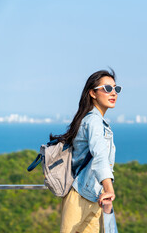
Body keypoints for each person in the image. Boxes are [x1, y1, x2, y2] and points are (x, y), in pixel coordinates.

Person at [50, 69, 121, 233]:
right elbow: (100, 157)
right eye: (107, 88)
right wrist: (109, 189)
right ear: (92, 93)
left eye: (116, 89)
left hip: (93, 196)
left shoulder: (96, 121)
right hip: (79, 196)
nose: (114, 93)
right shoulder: (93, 121)